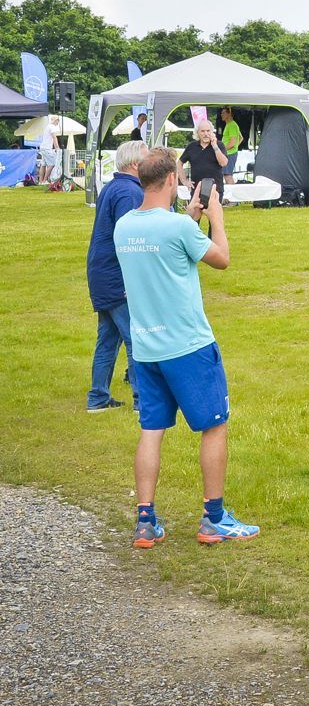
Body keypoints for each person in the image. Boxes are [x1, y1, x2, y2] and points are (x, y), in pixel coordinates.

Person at [115, 147, 258, 547]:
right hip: (188, 345)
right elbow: (221, 259)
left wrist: (190, 219)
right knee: (214, 426)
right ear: (173, 180)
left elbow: (162, 249)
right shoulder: (178, 229)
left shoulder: (125, 225)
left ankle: (145, 521)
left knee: (151, 430)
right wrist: (217, 220)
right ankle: (214, 518)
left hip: (146, 348)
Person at [86, 139, 147, 412]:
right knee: (136, 338)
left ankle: (98, 397)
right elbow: (130, 238)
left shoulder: (112, 187)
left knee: (108, 339)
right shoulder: (129, 193)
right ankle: (141, 400)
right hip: (116, 276)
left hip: (101, 272)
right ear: (135, 164)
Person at [180, 118, 227, 203]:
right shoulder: (192, 146)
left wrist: (214, 146)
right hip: (197, 189)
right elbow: (179, 163)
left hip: (215, 189)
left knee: (215, 215)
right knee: (194, 215)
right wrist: (184, 181)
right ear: (197, 133)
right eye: (202, 131)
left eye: (208, 131)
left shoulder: (219, 145)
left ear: (212, 132)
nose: (206, 134)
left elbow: (223, 163)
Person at [219, 107, 242, 185]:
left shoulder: (231, 125)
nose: (221, 114)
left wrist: (221, 150)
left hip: (229, 154)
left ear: (229, 113)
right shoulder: (231, 125)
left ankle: (233, 196)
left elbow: (232, 142)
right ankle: (231, 195)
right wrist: (236, 147)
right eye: (221, 113)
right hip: (230, 153)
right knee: (227, 175)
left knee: (228, 176)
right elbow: (241, 138)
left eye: (223, 113)